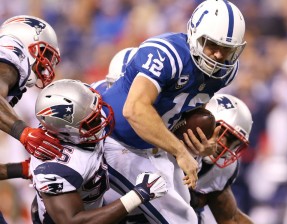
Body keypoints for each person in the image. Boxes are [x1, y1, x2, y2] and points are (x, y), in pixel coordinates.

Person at [101, 0, 247, 222]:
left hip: (150, 148)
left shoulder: (226, 72)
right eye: (212, 45)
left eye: (226, 49)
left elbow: (191, 107)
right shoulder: (168, 53)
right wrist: (180, 151)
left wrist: (199, 145)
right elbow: (135, 110)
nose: (218, 55)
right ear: (195, 34)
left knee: (186, 218)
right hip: (112, 140)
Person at [29, 79, 167, 224]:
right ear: (65, 132)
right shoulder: (55, 168)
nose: (101, 119)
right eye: (92, 121)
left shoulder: (70, 125)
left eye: (97, 110)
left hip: (96, 199)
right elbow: (74, 221)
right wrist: (138, 195)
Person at [0, 15, 63, 160]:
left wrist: (22, 170)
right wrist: (24, 132)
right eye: (44, 53)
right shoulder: (12, 60)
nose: (45, 65)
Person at [190, 94, 254, 224]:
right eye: (220, 131)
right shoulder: (173, 138)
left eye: (231, 139)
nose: (223, 143)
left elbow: (231, 219)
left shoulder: (221, 169)